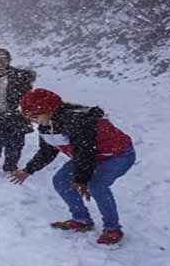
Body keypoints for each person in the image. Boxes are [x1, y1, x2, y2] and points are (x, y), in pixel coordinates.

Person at [7, 89, 135, 246]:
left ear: (49, 109)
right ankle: (82, 220)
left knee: (97, 186)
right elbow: (48, 150)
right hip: (91, 156)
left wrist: (81, 180)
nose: (34, 121)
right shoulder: (47, 126)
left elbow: (84, 152)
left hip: (117, 155)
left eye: (35, 116)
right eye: (30, 118)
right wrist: (28, 170)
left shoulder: (78, 121)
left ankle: (113, 229)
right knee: (60, 181)